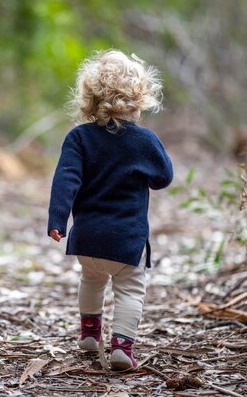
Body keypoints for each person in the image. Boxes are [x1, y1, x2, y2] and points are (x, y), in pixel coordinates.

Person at [47, 49, 173, 371]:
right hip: (125, 241)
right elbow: (163, 178)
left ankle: (89, 334)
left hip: (87, 240)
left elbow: (66, 180)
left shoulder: (78, 138)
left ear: (89, 98)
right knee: (130, 290)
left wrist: (57, 220)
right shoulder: (144, 141)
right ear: (139, 98)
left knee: (91, 281)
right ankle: (122, 347)